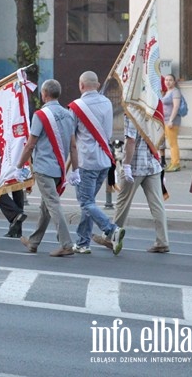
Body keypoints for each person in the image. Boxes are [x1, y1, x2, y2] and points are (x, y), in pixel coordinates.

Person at [17, 79, 78, 257]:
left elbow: (30, 145)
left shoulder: (40, 115)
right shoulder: (68, 114)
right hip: (59, 168)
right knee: (46, 206)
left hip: (44, 168)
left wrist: (19, 165)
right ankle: (34, 242)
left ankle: (66, 244)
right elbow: (73, 146)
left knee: (53, 205)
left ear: (44, 94)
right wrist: (75, 169)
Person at [69, 70, 125, 255]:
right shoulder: (108, 103)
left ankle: (111, 229)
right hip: (104, 159)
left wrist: (71, 165)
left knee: (85, 203)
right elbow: (108, 133)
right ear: (98, 85)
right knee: (90, 203)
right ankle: (83, 242)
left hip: (86, 161)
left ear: (81, 85)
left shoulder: (77, 106)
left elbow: (71, 137)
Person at [94, 116, 169, 253]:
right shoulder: (153, 110)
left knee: (123, 203)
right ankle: (162, 241)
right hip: (153, 164)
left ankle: (111, 237)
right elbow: (161, 138)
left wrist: (126, 165)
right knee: (157, 205)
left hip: (135, 166)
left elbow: (131, 141)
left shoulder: (133, 113)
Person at [162, 74, 183, 172]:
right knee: (170, 143)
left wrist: (171, 120)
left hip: (172, 121)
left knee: (173, 143)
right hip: (165, 120)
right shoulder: (167, 92)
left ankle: (176, 163)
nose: (168, 82)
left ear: (174, 82)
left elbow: (176, 106)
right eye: (166, 80)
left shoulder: (175, 92)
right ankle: (172, 162)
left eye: (170, 80)